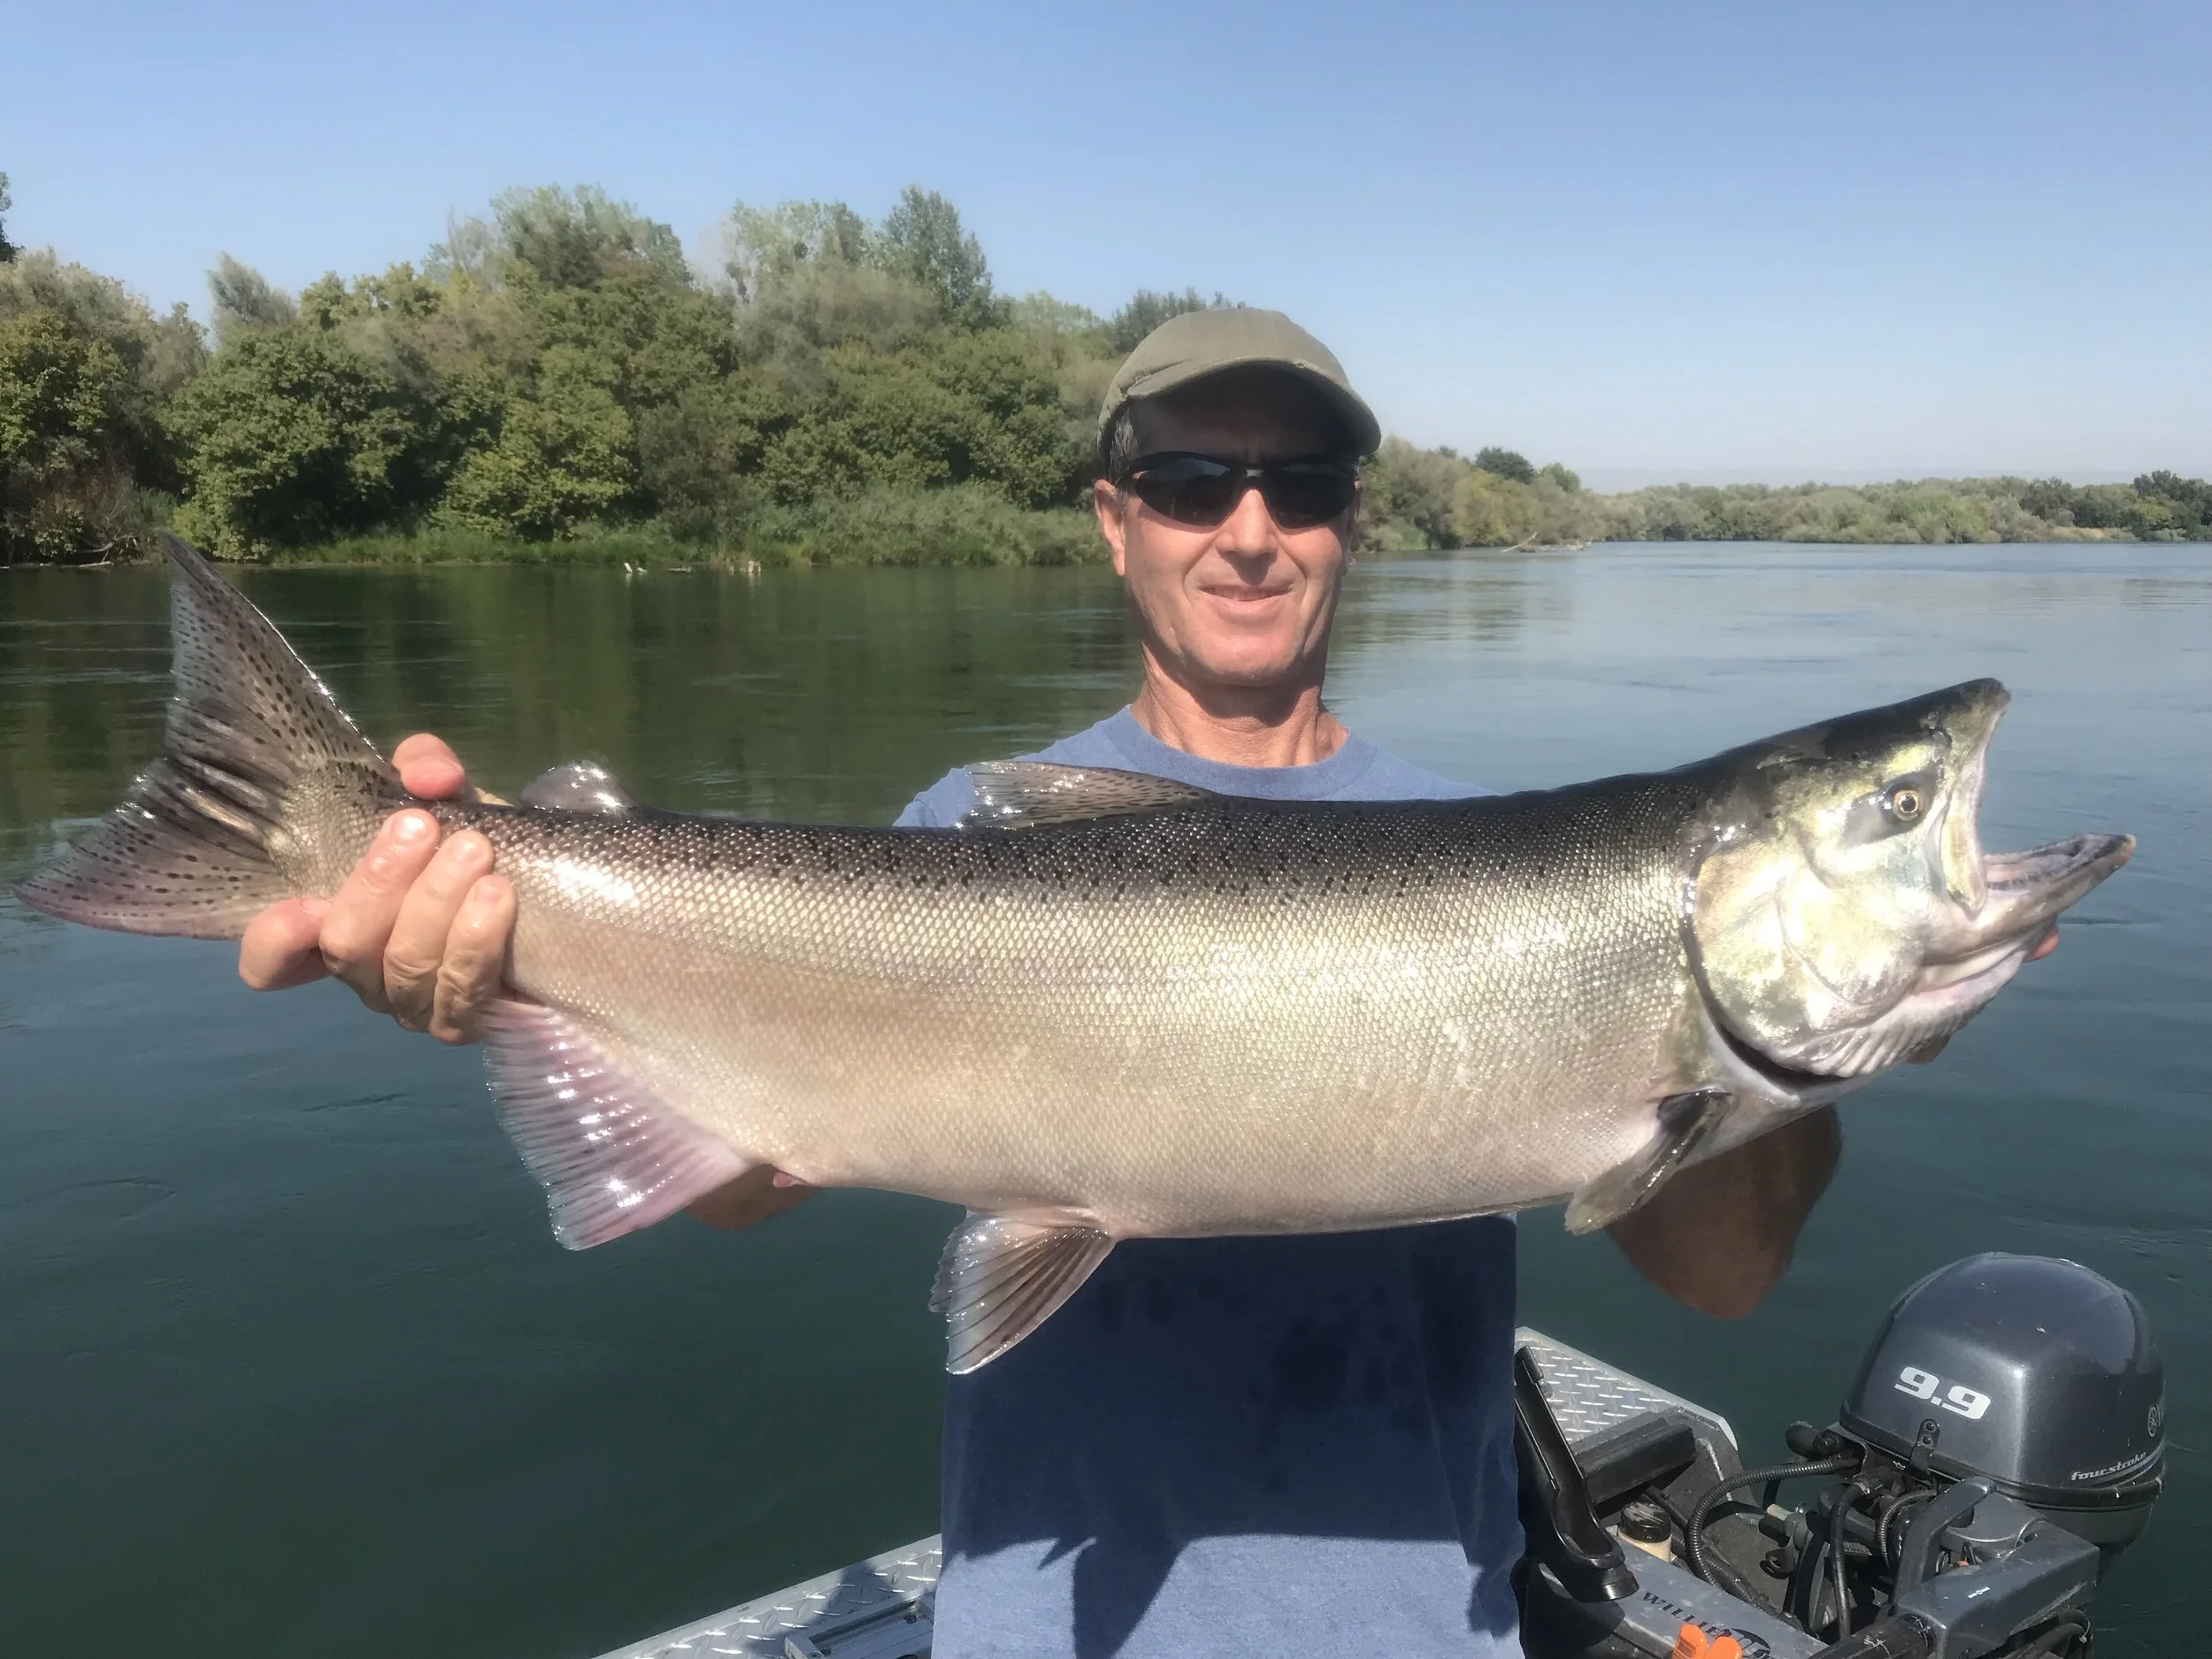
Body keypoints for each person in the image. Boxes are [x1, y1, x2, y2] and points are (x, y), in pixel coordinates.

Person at [234, 310, 2027, 1657]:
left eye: (1299, 483)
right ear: (1114, 521)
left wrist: (1810, 1046)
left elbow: (1716, 1279)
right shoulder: (966, 834)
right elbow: (755, 1176)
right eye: (1189, 479)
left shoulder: (1503, 853)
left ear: (1346, 522)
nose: (1247, 526)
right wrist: (501, 965)